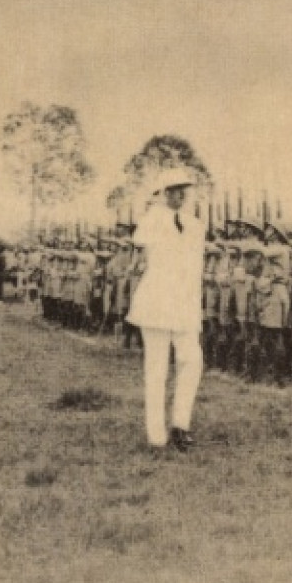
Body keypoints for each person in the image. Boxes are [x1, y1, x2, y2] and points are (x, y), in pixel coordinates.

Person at [126, 168, 206, 452]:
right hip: (157, 301)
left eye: (183, 190)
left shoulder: (195, 225)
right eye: (173, 190)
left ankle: (180, 425)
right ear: (162, 193)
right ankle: (156, 434)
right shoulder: (151, 220)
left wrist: (195, 303)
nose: (179, 195)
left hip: (184, 302)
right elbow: (145, 253)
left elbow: (195, 267)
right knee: (157, 367)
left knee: (191, 360)